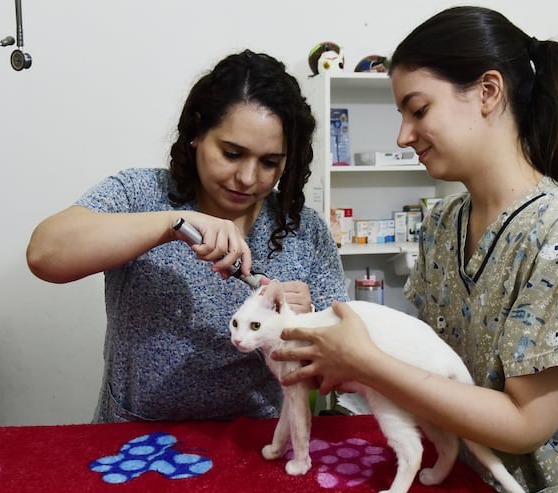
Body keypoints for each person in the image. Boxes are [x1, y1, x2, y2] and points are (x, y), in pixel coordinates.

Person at [272, 7, 558, 493]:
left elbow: (525, 426)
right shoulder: (441, 224)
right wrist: (338, 357)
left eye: (417, 109)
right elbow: (434, 369)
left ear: (487, 92)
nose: (404, 134)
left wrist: (367, 360)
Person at [26, 50, 347, 424]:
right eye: (231, 153)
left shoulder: (303, 230)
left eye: (269, 162)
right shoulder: (141, 195)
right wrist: (169, 225)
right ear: (196, 132)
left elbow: (336, 373)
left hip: (252, 444)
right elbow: (45, 254)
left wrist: (305, 326)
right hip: (133, 441)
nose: (247, 177)